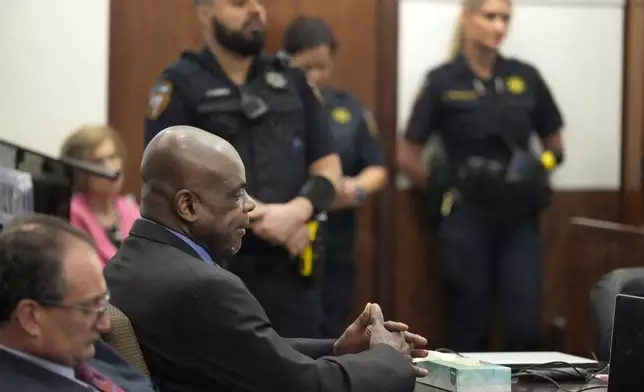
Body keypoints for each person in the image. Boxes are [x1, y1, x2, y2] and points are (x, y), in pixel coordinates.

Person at [105, 126, 428, 392]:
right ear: (188, 206)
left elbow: (247, 353)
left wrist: (334, 349)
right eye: (236, 195)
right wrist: (388, 358)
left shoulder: (128, 263)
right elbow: (306, 387)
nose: (250, 206)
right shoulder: (203, 287)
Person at [142, 0, 342, 339]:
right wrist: (265, 218)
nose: (256, 10)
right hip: (216, 271)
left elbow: (328, 167)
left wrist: (296, 212)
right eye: (239, 2)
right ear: (205, 13)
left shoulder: (292, 79)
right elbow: (166, 180)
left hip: (292, 268)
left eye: (258, 2)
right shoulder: (179, 84)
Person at [397, 0, 565, 352]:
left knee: (524, 323)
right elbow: (407, 155)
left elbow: (555, 145)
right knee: (467, 323)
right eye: (490, 16)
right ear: (467, 19)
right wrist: (445, 189)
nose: (499, 26)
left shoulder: (525, 76)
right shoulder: (443, 80)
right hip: (466, 217)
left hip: (519, 217)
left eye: (505, 18)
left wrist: (540, 167)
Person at [282, 17, 387, 338]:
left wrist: (355, 189)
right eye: (306, 67)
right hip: (288, 235)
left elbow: (377, 168)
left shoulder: (348, 106)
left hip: (338, 237)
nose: (315, 76)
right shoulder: (273, 106)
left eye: (322, 66)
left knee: (333, 325)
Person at [0, 214, 156, 392]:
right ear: (31, 317)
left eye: (103, 301)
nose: (105, 324)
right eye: (90, 307)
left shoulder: (70, 344)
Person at [61, 124, 140, 266]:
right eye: (98, 161)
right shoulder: (72, 213)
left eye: (113, 157)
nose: (112, 168)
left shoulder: (130, 208)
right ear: (80, 171)